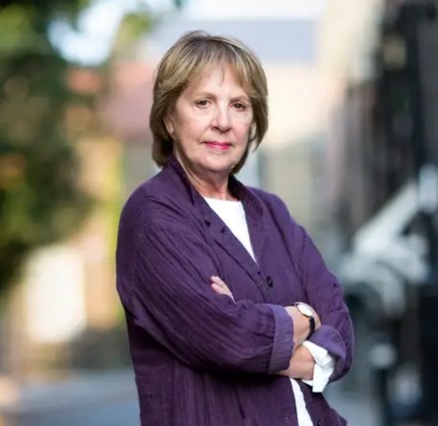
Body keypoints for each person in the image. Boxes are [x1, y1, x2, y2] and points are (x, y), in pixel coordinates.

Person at [115, 30, 354, 426]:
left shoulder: (273, 213)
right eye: (204, 103)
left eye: (239, 105)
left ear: (252, 121)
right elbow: (228, 338)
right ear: (170, 117)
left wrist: (261, 328)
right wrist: (305, 318)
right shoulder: (153, 216)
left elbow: (340, 327)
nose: (223, 122)